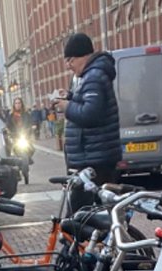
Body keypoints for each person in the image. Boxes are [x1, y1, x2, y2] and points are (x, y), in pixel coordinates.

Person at [53, 32, 121, 186]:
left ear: (83, 56)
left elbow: (90, 114)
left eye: (70, 60)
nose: (68, 65)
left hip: (94, 158)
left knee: (85, 206)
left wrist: (67, 106)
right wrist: (71, 97)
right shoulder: (91, 76)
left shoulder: (94, 77)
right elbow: (91, 104)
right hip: (93, 155)